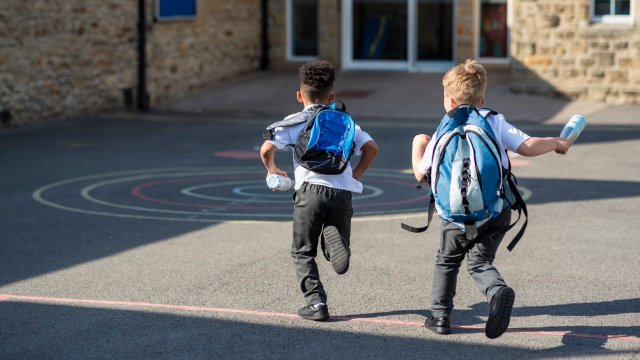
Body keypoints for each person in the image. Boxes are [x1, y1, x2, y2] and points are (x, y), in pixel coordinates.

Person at [411, 59, 571, 338]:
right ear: (482, 99)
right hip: (495, 210)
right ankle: (496, 292)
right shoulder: (493, 120)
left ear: (448, 101)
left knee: (447, 261)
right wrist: (558, 142)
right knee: (479, 262)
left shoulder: (444, 126)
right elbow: (527, 146)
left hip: (454, 217)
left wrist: (418, 145)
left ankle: (439, 317)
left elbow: (421, 174)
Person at [260, 60, 378, 321]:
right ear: (332, 97)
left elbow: (267, 149)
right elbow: (371, 148)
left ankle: (316, 303)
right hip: (342, 193)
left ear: (299, 96)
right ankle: (335, 237)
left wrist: (273, 170)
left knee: (302, 251)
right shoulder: (346, 122)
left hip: (309, 192)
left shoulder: (295, 122)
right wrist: (354, 175)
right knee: (334, 247)